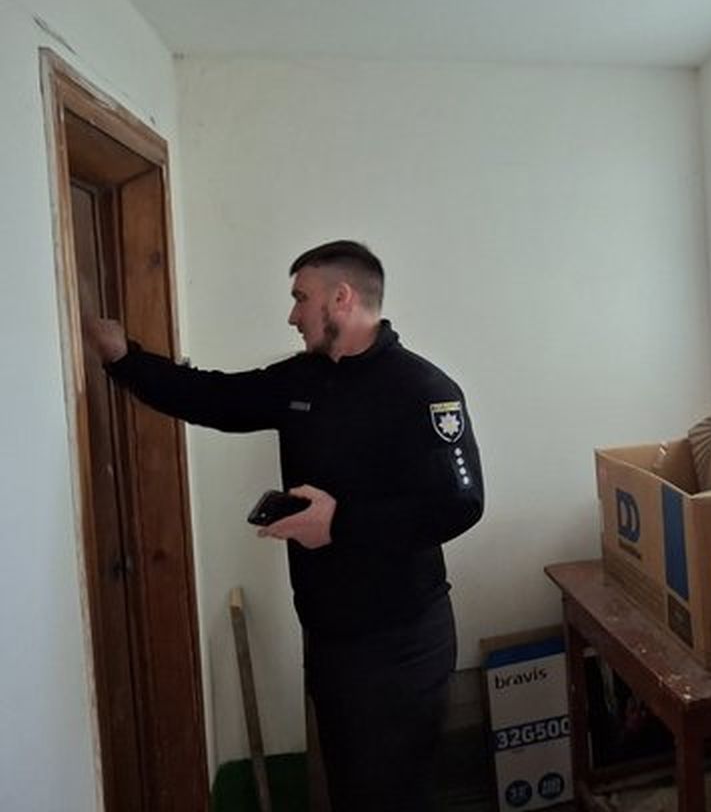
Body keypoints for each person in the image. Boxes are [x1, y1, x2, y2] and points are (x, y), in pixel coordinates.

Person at [83, 239, 483, 812]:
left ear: (341, 298)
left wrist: (341, 522)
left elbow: (460, 504)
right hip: (329, 636)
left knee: (393, 796)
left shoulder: (424, 391)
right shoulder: (304, 378)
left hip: (401, 643)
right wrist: (124, 359)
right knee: (350, 789)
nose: (293, 315)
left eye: (301, 298)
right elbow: (218, 398)